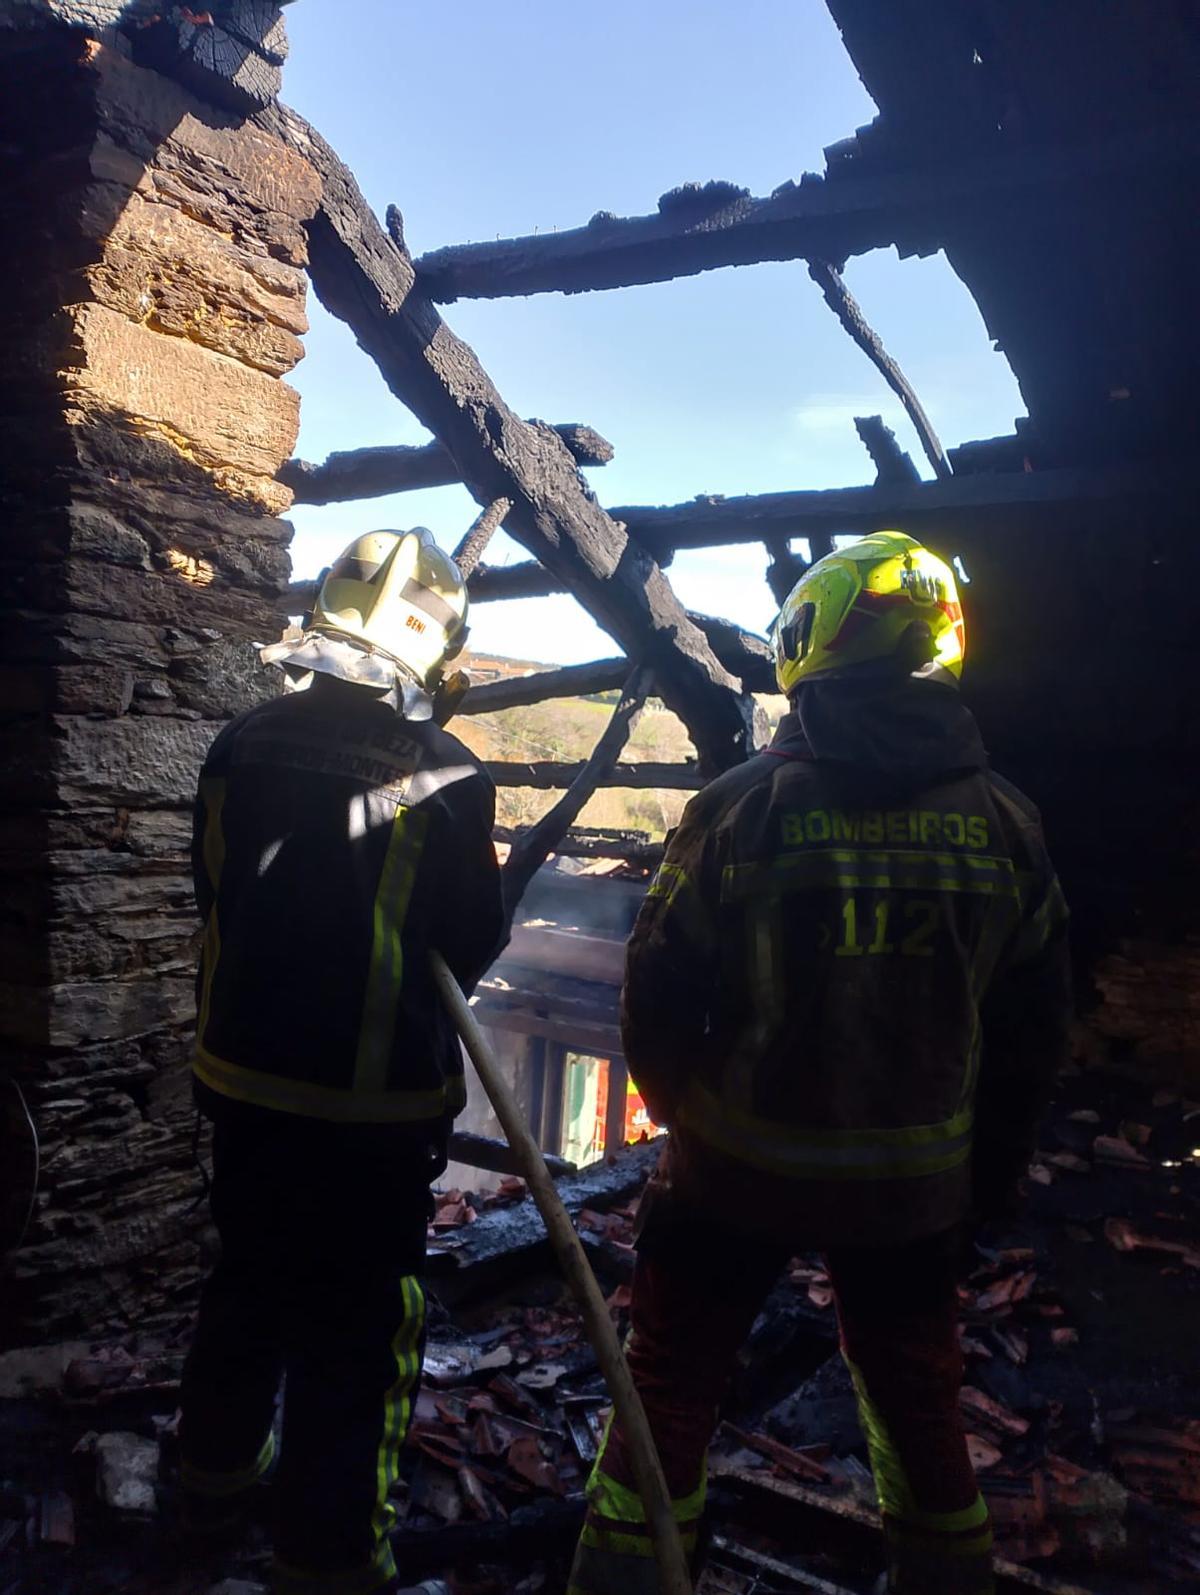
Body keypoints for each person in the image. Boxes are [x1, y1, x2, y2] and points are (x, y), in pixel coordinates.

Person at [567, 531, 1071, 1595]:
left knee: (668, 1391)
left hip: (732, 1177)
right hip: (911, 1191)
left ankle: (628, 1575)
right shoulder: (1009, 824)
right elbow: (1031, 1035)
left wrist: (688, 1125)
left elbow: (656, 996)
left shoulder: (741, 809)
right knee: (920, 1406)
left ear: (812, 645)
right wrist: (983, 1178)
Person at [178, 528, 505, 1595]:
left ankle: (210, 1479)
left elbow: (212, 885)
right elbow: (472, 937)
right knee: (357, 1328)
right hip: (372, 1107)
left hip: (241, 1079)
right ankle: (327, 1557)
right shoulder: (448, 772)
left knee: (248, 1274)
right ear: (433, 646)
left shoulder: (240, 743)